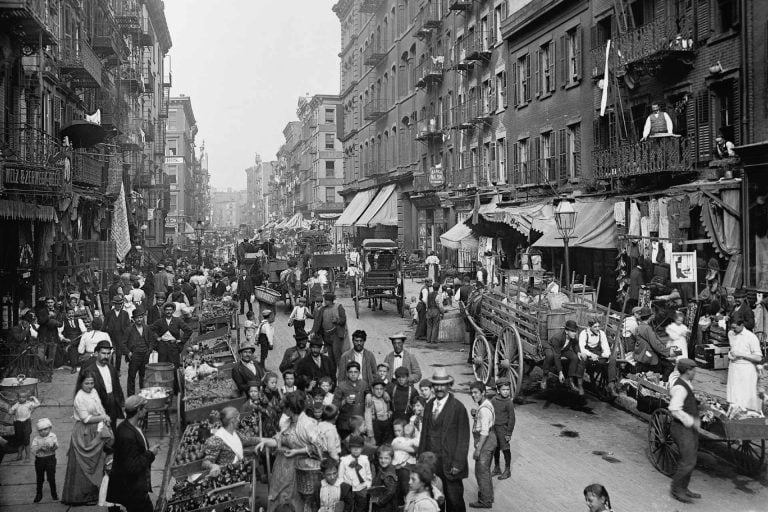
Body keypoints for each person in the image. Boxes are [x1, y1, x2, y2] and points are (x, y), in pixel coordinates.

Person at [256, 392, 324, 512]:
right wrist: (265, 442)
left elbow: (320, 448)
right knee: (280, 495)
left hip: (300, 469)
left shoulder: (307, 424)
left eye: (285, 408)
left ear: (290, 409)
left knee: (295, 498)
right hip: (282, 467)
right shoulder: (288, 422)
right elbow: (281, 440)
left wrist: (297, 451)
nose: (284, 411)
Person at [418, 368, 470, 512]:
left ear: (449, 386)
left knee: (454, 500)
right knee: (435, 499)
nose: (439, 388)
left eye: (443, 385)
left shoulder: (458, 408)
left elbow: (463, 438)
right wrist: (421, 459)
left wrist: (458, 463)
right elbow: (424, 435)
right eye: (436, 385)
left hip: (450, 463)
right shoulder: (429, 406)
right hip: (432, 462)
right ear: (433, 387)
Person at [62, 371, 112, 505]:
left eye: (92, 383)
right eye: (87, 383)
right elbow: (85, 418)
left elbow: (100, 408)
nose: (90, 386)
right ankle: (82, 496)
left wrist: (104, 418)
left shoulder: (94, 392)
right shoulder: (79, 398)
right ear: (81, 383)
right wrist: (102, 418)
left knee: (99, 461)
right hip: (84, 432)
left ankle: (96, 492)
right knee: (84, 464)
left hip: (97, 429)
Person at [107, 395, 160, 512]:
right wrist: (151, 453)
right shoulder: (127, 435)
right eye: (144, 408)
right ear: (138, 411)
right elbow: (132, 466)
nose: (146, 411)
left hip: (139, 488)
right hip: (133, 491)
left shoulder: (131, 427)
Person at [668, 358, 702, 503]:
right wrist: (691, 420)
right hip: (681, 428)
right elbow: (674, 409)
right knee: (687, 461)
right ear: (688, 371)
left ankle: (684, 487)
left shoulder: (687, 383)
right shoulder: (680, 387)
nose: (695, 372)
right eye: (693, 369)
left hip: (688, 428)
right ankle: (676, 489)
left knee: (691, 460)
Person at [201, 407, 261, 476]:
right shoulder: (216, 439)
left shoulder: (235, 433)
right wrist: (212, 466)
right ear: (232, 420)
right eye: (238, 418)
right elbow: (205, 462)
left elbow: (248, 440)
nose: (239, 420)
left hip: (240, 471)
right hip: (229, 475)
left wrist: (265, 440)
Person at [80, 340, 125, 429]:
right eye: (103, 353)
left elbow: (117, 387)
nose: (106, 356)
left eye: (108, 354)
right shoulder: (89, 371)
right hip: (98, 404)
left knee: (112, 429)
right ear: (96, 353)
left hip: (111, 402)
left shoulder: (111, 368)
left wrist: (121, 402)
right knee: (99, 431)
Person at [468, 381, 496, 509]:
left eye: (476, 393)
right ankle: (488, 496)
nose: (473, 395)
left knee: (481, 472)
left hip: (485, 441)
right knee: (485, 471)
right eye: (472, 393)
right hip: (489, 440)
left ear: (483, 392)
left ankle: (485, 501)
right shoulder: (485, 404)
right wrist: (476, 414)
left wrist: (478, 450)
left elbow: (484, 432)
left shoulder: (484, 409)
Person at [727, 316, 763, 411]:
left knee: (745, 395)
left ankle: (748, 416)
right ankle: (734, 414)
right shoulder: (731, 333)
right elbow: (733, 347)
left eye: (735, 327)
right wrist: (731, 354)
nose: (733, 330)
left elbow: (758, 357)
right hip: (734, 367)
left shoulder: (751, 337)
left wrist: (741, 354)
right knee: (733, 394)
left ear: (742, 325)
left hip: (746, 369)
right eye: (732, 327)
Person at [578, 317, 618, 396]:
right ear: (590, 327)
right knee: (582, 358)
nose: (597, 328)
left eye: (598, 326)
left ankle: (611, 385)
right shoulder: (584, 333)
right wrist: (591, 355)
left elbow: (606, 347)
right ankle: (580, 385)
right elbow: (582, 348)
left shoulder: (601, 333)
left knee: (612, 359)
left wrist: (605, 355)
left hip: (597, 353)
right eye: (595, 327)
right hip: (587, 353)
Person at [632, 307, 674, 379]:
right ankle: (663, 383)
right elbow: (656, 345)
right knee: (670, 366)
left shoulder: (638, 327)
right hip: (648, 358)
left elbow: (655, 341)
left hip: (641, 355)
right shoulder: (647, 328)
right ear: (650, 317)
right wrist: (668, 352)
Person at [541, 320, 582, 393]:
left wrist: (578, 352)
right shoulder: (557, 338)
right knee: (550, 355)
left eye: (575, 331)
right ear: (566, 331)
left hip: (563, 349)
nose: (574, 333)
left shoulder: (572, 336)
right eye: (572, 331)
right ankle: (545, 376)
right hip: (552, 348)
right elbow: (557, 356)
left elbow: (575, 344)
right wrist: (560, 373)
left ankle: (570, 380)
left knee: (575, 357)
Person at [149, 303, 193, 371]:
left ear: (173, 311)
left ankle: (175, 381)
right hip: (162, 346)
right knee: (162, 366)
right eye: (167, 310)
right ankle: (164, 381)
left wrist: (181, 340)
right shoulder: (160, 321)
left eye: (170, 310)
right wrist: (157, 337)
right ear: (164, 311)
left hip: (173, 347)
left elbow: (189, 330)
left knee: (174, 366)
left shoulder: (177, 320)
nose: (168, 312)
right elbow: (150, 329)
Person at [311, 292, 350, 367]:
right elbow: (318, 322)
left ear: (331, 300)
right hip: (326, 337)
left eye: (326, 300)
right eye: (325, 300)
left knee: (337, 356)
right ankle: (333, 376)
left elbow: (343, 319)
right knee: (331, 358)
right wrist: (314, 332)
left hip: (336, 336)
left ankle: (341, 374)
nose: (325, 302)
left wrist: (337, 320)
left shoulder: (339, 307)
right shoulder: (322, 309)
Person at [334, 361, 369, 440]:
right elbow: (334, 406)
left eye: (355, 372)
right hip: (345, 424)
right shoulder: (341, 386)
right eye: (351, 372)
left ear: (359, 373)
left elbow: (368, 391)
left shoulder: (364, 384)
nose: (353, 374)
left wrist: (369, 394)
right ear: (347, 373)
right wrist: (344, 401)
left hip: (360, 424)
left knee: (359, 446)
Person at [339, 434, 372, 511]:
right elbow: (340, 477)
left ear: (362, 448)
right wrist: (344, 489)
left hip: (361, 488)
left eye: (358, 447)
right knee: (348, 508)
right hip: (349, 489)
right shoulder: (344, 461)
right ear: (349, 448)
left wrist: (367, 485)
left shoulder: (365, 460)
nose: (356, 450)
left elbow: (368, 474)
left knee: (361, 508)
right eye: (353, 447)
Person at [490, 378, 515, 480]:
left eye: (508, 389)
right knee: (495, 448)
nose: (506, 392)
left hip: (503, 430)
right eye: (504, 389)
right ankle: (497, 467)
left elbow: (512, 419)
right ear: (498, 390)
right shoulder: (494, 400)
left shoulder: (509, 402)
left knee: (505, 449)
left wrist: (508, 433)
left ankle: (507, 469)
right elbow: (489, 411)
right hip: (494, 428)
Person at [126, 308, 153, 397]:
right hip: (134, 356)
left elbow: (151, 341)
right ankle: (131, 396)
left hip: (145, 356)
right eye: (137, 318)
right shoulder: (129, 329)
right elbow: (122, 343)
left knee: (143, 376)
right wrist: (128, 352)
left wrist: (149, 351)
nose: (139, 319)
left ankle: (143, 395)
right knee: (132, 376)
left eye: (141, 317)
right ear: (133, 319)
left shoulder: (147, 328)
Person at [31, 417, 58, 503]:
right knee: (40, 477)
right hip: (40, 460)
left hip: (50, 458)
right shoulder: (36, 438)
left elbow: (56, 446)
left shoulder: (53, 436)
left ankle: (54, 493)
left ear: (50, 428)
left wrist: (53, 446)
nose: (43, 432)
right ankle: (39, 494)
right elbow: (33, 449)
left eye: (45, 429)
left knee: (51, 477)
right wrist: (39, 448)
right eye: (40, 430)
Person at [103, 295, 131, 375]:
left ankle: (117, 370)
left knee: (119, 354)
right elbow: (104, 325)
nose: (118, 305)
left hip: (120, 336)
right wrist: (102, 333)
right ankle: (111, 369)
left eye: (120, 304)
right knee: (110, 353)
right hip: (111, 336)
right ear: (114, 304)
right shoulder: (109, 313)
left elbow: (128, 325)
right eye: (117, 304)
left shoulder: (125, 314)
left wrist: (127, 336)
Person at [10, 391, 40, 461]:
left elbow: (38, 404)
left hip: (26, 423)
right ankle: (19, 455)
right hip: (18, 423)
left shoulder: (29, 404)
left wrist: (34, 398)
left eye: (23, 397)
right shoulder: (17, 404)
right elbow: (10, 411)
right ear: (18, 398)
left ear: (26, 398)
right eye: (20, 397)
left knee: (26, 440)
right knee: (19, 440)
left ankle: (27, 456)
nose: (21, 399)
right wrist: (12, 411)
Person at [371, 444, 399, 512]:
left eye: (386, 458)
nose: (383, 461)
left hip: (385, 506)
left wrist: (380, 501)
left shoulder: (389, 474)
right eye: (381, 458)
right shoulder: (382, 468)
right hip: (378, 499)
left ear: (391, 459)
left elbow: (390, 491)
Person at [365, 379, 392, 444]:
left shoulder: (386, 398)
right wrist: (371, 435)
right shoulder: (370, 400)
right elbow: (368, 418)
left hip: (386, 428)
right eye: (377, 389)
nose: (379, 391)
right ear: (372, 389)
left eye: (381, 389)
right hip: (376, 429)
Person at [61, 308, 87, 374]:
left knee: (73, 345)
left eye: (72, 313)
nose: (71, 315)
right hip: (69, 339)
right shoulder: (64, 322)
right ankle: (74, 366)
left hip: (79, 339)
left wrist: (83, 334)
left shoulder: (79, 320)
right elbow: (59, 333)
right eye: (69, 313)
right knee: (73, 348)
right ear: (67, 314)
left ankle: (70, 345)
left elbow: (84, 331)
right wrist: (64, 339)